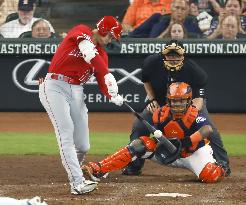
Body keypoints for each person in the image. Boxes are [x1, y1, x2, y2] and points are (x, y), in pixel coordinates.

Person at [116, 40, 230, 177]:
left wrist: (189, 113)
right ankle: (134, 166)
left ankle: (223, 163)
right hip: (161, 103)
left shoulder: (194, 70)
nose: (173, 58)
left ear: (183, 56)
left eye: (177, 55)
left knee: (209, 128)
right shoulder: (151, 63)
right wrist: (151, 100)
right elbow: (146, 80)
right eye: (170, 55)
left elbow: (199, 99)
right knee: (139, 126)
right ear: (163, 55)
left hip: (188, 104)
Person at [38, 16, 124, 195]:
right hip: (55, 86)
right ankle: (77, 182)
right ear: (102, 30)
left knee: (83, 145)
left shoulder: (102, 54)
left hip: (77, 90)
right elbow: (87, 52)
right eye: (110, 36)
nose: (110, 41)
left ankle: (74, 168)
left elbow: (101, 77)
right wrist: (107, 73)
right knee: (66, 131)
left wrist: (112, 94)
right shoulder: (82, 30)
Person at [82, 82, 226, 183]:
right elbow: (155, 137)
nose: (177, 105)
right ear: (168, 101)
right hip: (167, 154)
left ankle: (220, 167)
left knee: (210, 175)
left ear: (188, 101)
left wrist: (185, 142)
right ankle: (100, 168)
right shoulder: (159, 114)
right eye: (174, 101)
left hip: (192, 154)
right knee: (139, 144)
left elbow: (207, 129)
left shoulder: (195, 113)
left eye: (181, 101)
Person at [128, 0, 202, 38]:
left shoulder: (192, 23)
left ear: (187, 12)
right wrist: (169, 28)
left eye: (183, 9)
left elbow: (202, 43)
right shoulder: (160, 21)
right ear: (171, 8)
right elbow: (152, 44)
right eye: (177, 8)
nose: (179, 11)